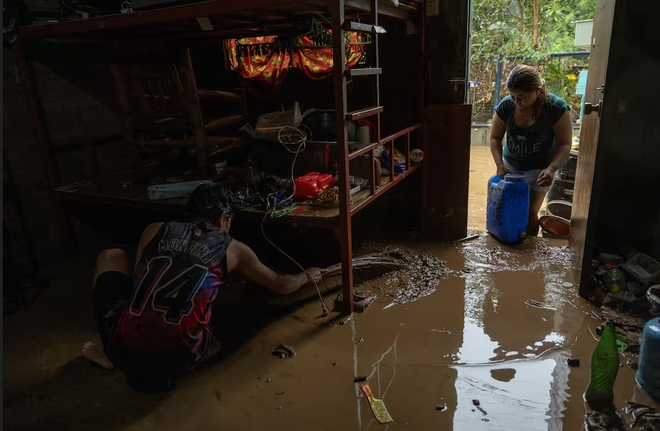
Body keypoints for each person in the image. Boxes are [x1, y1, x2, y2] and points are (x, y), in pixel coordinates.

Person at [82, 183, 322, 392]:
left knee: (111, 255)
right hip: (183, 358)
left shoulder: (154, 229)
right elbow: (281, 285)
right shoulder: (234, 248)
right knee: (232, 315)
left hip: (122, 353)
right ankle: (208, 348)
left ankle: (104, 346)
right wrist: (306, 276)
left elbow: (140, 284)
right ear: (222, 218)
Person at [490, 64, 573, 235]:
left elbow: (565, 144)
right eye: (513, 96)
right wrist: (499, 164)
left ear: (538, 90)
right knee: (507, 208)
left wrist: (551, 169)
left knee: (530, 213)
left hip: (541, 169)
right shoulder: (506, 107)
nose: (517, 102)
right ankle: (508, 242)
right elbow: (495, 138)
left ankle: (528, 252)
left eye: (522, 97)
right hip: (511, 166)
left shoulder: (556, 108)